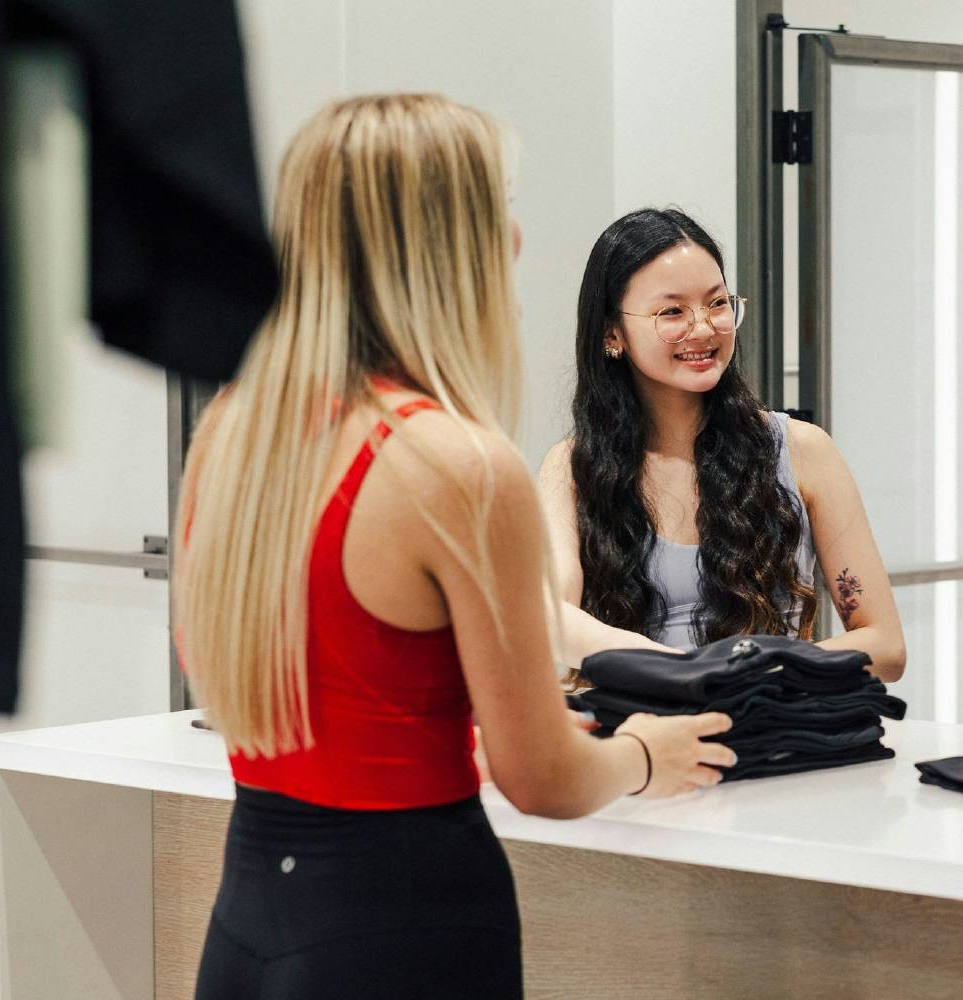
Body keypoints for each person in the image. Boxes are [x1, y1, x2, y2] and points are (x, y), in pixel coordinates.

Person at [175, 95, 733, 1000]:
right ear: (442, 242)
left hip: (248, 922)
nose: (515, 239)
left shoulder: (236, 431)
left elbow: (303, 685)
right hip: (404, 929)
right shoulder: (455, 466)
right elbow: (544, 776)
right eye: (496, 208)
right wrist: (645, 757)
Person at [538, 208, 906, 681]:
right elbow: (556, 618)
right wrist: (688, 675)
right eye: (672, 311)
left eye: (716, 303)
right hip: (638, 741)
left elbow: (885, 645)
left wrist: (748, 674)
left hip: (768, 732)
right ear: (613, 332)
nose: (704, 328)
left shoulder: (801, 450)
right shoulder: (571, 466)